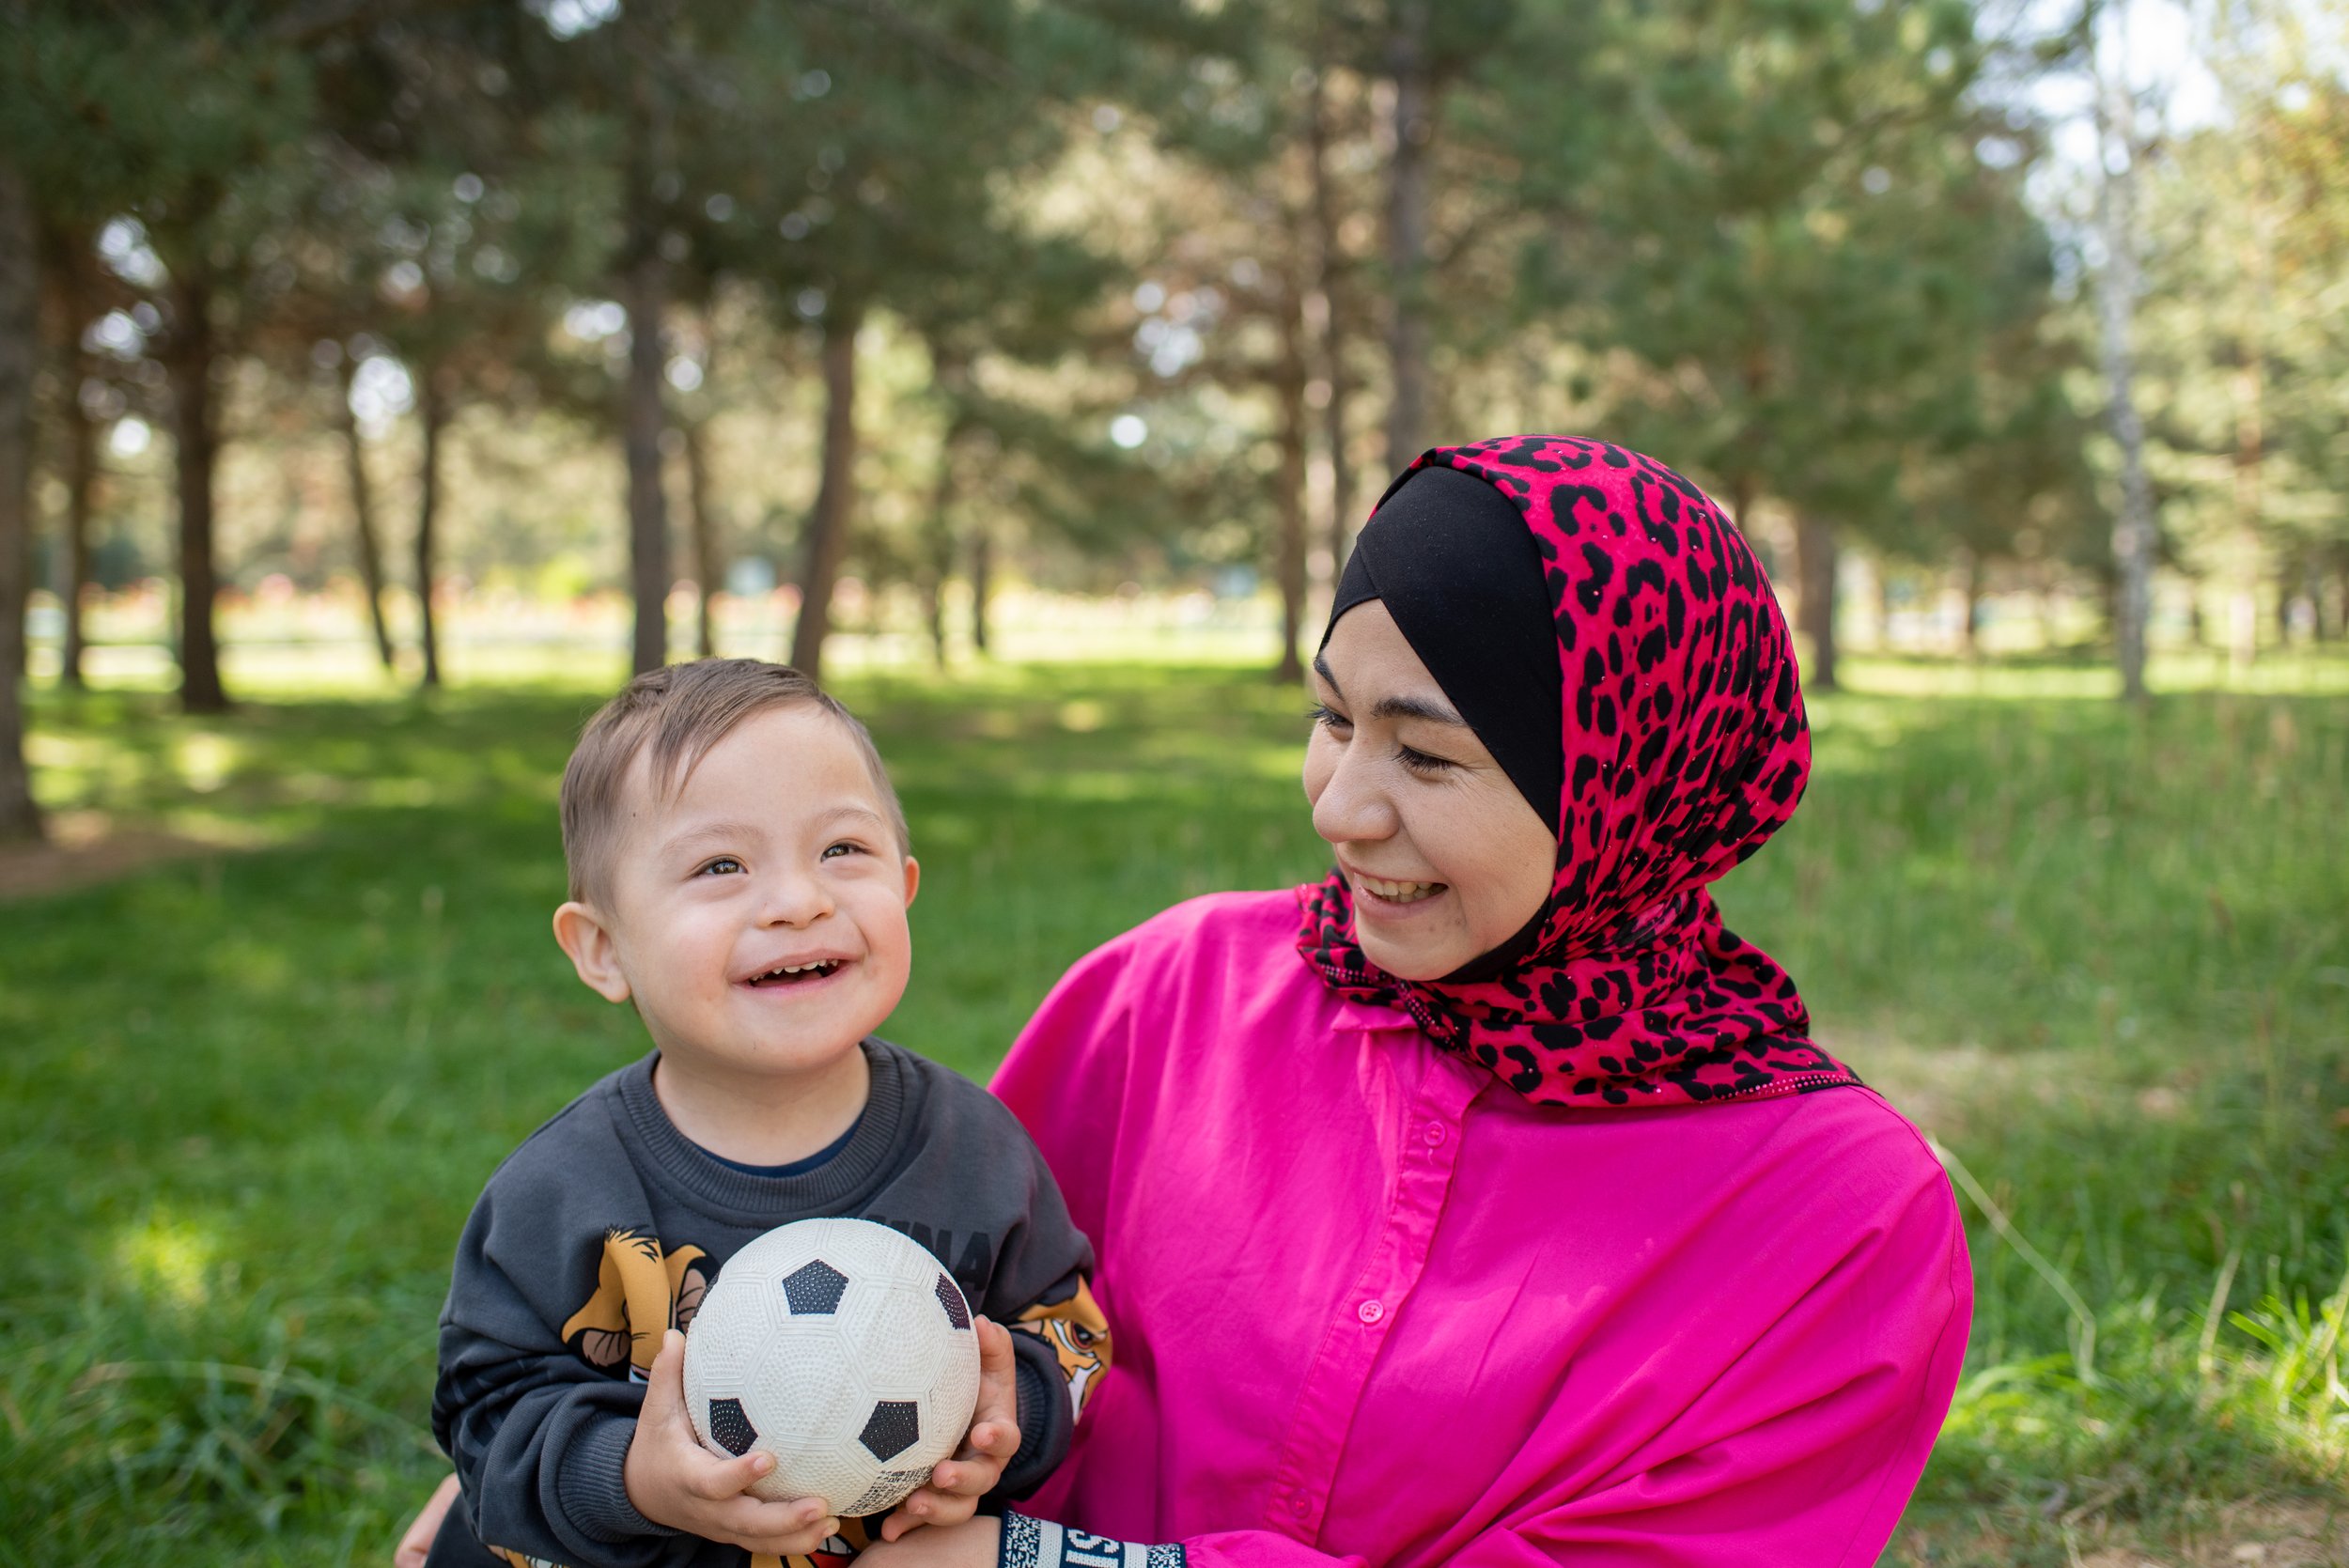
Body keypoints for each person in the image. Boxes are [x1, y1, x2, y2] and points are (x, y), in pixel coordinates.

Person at [858, 436, 1972, 1568]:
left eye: (1427, 757)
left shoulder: (1838, 1218)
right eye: (1333, 720)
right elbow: (938, 1310)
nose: (1339, 809)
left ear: (1623, 780)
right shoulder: (1171, 992)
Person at [415, 659, 1112, 1568]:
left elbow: (1065, 1332)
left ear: (903, 888)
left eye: (841, 851)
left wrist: (1005, 1409)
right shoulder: (560, 1192)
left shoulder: (975, 1149)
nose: (798, 900)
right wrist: (633, 1475)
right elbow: (487, 1416)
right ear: (602, 948)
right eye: (720, 865)